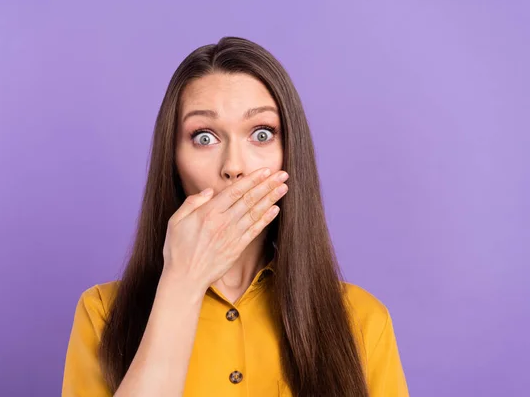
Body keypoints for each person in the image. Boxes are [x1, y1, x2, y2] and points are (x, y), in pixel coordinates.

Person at [62, 36, 409, 397]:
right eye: (204, 137)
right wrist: (181, 283)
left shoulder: (363, 321)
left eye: (261, 134)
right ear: (173, 161)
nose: (233, 167)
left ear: (290, 155)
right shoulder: (102, 314)